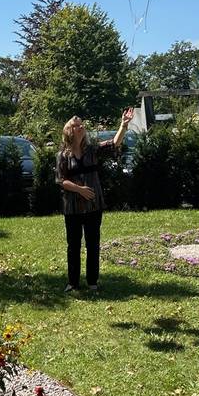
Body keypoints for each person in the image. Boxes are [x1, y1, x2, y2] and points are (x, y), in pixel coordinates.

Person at [55, 108, 134, 292]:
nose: (81, 127)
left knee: (93, 244)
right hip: (72, 207)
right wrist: (80, 189)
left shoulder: (92, 150)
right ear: (69, 130)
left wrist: (123, 125)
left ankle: (92, 283)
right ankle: (72, 283)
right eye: (77, 125)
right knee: (73, 245)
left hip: (93, 205)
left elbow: (114, 144)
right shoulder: (63, 155)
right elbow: (61, 180)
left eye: (82, 125)